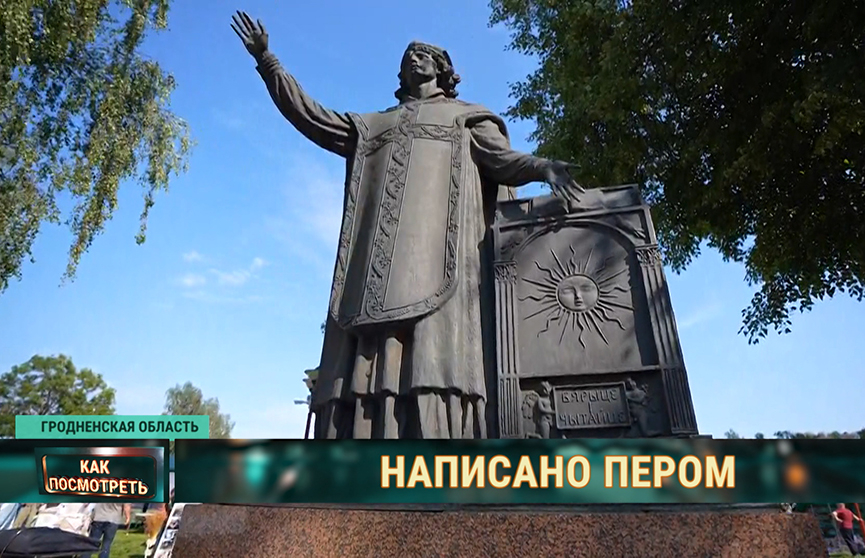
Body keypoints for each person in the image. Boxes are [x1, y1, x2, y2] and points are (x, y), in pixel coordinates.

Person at [231, 12, 584, 439]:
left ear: (442, 68)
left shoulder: (466, 119)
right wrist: (269, 61)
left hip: (443, 267)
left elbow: (504, 161)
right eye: (408, 56)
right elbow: (313, 117)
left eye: (423, 54)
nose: (414, 59)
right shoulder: (373, 127)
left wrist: (542, 166)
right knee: (368, 359)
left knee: (433, 359)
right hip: (373, 279)